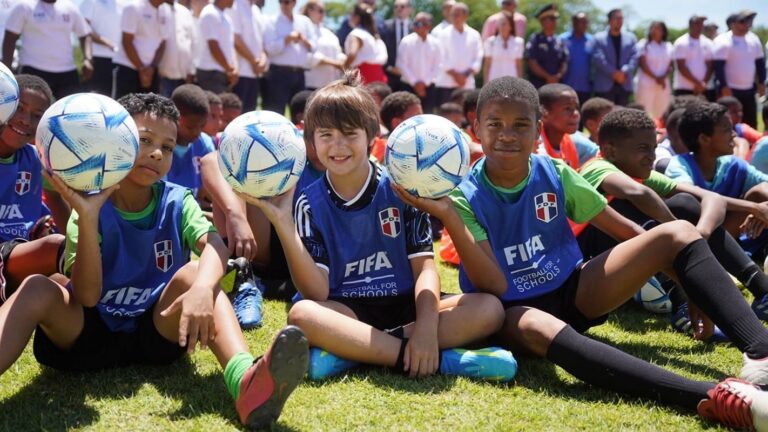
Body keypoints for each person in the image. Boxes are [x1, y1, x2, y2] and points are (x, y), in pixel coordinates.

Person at [395, 76, 768, 430]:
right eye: (495, 124)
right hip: (513, 312)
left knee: (678, 231)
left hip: (575, 290)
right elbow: (492, 285)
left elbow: (629, 233)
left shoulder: (555, 172)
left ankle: (760, 353)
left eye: (520, 124)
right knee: (535, 322)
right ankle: (712, 397)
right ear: (476, 129)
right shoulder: (462, 196)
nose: (507, 135)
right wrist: (450, 219)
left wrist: (685, 287)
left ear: (538, 130)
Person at [0, 92, 309, 429]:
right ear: (117, 141)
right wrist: (87, 217)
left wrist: (205, 288)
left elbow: (215, 245)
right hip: (85, 337)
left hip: (158, 332)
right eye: (144, 140)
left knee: (197, 273)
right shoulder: (89, 205)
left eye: (167, 145)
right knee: (37, 288)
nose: (157, 153)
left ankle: (246, 383)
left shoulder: (178, 200)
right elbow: (87, 297)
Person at [241, 71, 517, 381]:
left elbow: (425, 268)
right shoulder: (307, 203)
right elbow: (316, 291)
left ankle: (352, 352)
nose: (338, 145)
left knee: (489, 309)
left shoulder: (402, 189)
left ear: (373, 136)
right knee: (302, 315)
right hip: (347, 310)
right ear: (311, 142)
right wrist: (283, 223)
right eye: (326, 135)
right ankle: (441, 360)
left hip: (406, 306)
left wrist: (426, 328)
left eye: (349, 134)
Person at [578, 108, 768, 326]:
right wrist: (678, 234)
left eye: (653, 148)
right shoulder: (595, 167)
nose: (651, 156)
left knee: (684, 203)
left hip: (622, 268)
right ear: (610, 151)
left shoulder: (641, 173)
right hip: (587, 273)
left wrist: (699, 236)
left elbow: (713, 199)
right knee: (625, 207)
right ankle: (683, 307)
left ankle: (762, 291)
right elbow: (638, 194)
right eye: (642, 148)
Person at [169, 84, 261, 328]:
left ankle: (241, 276)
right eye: (191, 126)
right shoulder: (158, 148)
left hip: (194, 217)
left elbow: (206, 190)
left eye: (202, 126)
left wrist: (231, 215)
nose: (198, 132)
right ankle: (236, 279)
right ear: (175, 115)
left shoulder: (203, 145)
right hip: (170, 225)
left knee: (228, 185)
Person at [664, 102, 768, 250]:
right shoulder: (679, 165)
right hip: (701, 238)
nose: (734, 134)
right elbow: (694, 197)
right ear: (704, 139)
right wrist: (754, 208)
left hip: (732, 235)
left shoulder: (733, 165)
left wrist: (763, 208)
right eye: (727, 130)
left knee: (762, 191)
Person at [3, 0, 92, 99]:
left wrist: (88, 59)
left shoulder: (70, 7)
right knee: (31, 110)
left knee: (73, 109)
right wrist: (8, 72)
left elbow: (85, 35)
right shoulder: (24, 6)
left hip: (67, 71)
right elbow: (9, 39)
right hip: (32, 70)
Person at [713, 10, 765, 129]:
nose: (746, 25)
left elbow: (760, 63)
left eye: (748, 21)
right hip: (730, 91)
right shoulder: (723, 40)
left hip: (749, 89)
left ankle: (751, 147)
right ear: (732, 23)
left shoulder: (754, 39)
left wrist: (762, 82)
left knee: (751, 122)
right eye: (742, 21)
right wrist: (724, 86)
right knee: (728, 123)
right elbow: (718, 67)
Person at [262, 0, 316, 113]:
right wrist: (288, 39)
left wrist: (303, 39)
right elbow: (269, 48)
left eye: (286, 2)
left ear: (294, 3)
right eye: (280, 2)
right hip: (278, 73)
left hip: (299, 73)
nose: (283, 5)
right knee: (275, 112)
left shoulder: (304, 21)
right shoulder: (271, 21)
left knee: (301, 113)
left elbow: (314, 46)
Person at [112, 0, 172, 99]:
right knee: (125, 111)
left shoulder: (166, 11)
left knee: (150, 112)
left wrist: (152, 67)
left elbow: (162, 43)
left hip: (151, 71)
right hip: (128, 69)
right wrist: (142, 69)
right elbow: (127, 41)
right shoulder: (133, 7)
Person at [535, 84, 598, 169]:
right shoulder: (535, 142)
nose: (575, 114)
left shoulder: (573, 139)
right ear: (544, 113)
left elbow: (599, 154)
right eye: (567, 109)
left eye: (576, 108)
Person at [433, 2, 481, 107]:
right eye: (452, 14)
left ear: (465, 16)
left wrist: (465, 76)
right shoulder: (442, 34)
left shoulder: (474, 35)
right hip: (446, 84)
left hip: (467, 84)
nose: (454, 17)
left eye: (457, 14)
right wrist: (456, 75)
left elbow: (478, 57)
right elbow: (440, 58)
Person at [592, 9, 638, 106]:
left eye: (621, 18)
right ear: (609, 21)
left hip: (624, 84)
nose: (619, 21)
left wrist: (624, 71)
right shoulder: (598, 38)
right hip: (604, 85)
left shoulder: (631, 38)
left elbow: (634, 56)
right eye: (616, 18)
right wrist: (614, 73)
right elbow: (599, 58)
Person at [396, 12, 439, 114]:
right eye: (416, 22)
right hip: (408, 86)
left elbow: (438, 66)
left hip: (429, 88)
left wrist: (425, 83)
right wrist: (415, 83)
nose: (416, 25)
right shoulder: (406, 41)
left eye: (421, 23)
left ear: (428, 25)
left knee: (428, 116)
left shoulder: (436, 43)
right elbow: (401, 64)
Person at [79, 0, 124, 96]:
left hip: (118, 60)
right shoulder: (90, 2)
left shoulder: (123, 4)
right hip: (97, 59)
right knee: (94, 98)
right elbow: (83, 27)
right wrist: (106, 42)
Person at [230, 0, 267, 111]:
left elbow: (261, 42)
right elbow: (235, 39)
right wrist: (254, 61)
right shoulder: (235, 5)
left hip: (254, 75)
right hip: (240, 74)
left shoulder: (256, 10)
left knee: (250, 116)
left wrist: (262, 60)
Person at [158, 0, 198, 98]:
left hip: (183, 78)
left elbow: (193, 42)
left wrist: (191, 71)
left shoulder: (185, 12)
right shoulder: (158, 9)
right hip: (162, 76)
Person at [635, 21, 674, 121]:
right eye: (654, 28)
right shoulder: (643, 44)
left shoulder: (668, 46)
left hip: (663, 85)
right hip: (646, 84)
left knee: (662, 111)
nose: (656, 31)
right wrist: (656, 78)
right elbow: (642, 64)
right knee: (643, 112)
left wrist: (662, 78)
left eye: (659, 28)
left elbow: (670, 65)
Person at [197, 0, 237, 94]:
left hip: (223, 73)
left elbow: (231, 46)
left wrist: (234, 69)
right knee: (215, 108)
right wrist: (229, 70)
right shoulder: (209, 13)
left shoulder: (227, 18)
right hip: (211, 74)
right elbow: (213, 46)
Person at [303, 0, 345, 91]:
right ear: (310, 10)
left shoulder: (328, 33)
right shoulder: (304, 30)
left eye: (323, 11)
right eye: (320, 10)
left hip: (332, 83)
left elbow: (338, 52)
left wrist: (344, 61)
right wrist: (334, 63)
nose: (323, 14)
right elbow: (309, 56)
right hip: (313, 83)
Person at [525, 4, 568, 89]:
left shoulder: (560, 41)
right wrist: (548, 77)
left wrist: (557, 76)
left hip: (556, 86)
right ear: (542, 21)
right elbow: (532, 62)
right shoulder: (535, 39)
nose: (555, 21)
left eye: (556, 19)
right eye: (552, 19)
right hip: (537, 85)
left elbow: (565, 62)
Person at [343, 4, 388, 85]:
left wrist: (344, 67)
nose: (349, 17)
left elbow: (352, 54)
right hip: (378, 76)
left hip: (364, 76)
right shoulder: (372, 35)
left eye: (351, 14)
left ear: (357, 17)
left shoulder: (357, 33)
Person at [672, 15, 714, 99]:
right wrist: (698, 83)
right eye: (697, 24)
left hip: (705, 88)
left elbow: (710, 65)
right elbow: (681, 66)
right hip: (684, 88)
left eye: (702, 24)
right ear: (690, 25)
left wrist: (703, 83)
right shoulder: (681, 42)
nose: (700, 26)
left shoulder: (708, 43)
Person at [560, 12, 593, 105]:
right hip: (565, 87)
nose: (585, 25)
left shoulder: (592, 41)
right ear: (574, 23)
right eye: (582, 22)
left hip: (586, 88)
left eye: (586, 22)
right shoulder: (562, 39)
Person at [482, 11, 523, 83]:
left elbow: (519, 66)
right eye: (499, 23)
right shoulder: (490, 42)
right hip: (494, 82)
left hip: (512, 83)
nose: (501, 26)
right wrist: (485, 84)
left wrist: (520, 85)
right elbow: (487, 65)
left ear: (510, 26)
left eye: (504, 24)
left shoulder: (518, 42)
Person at [381, 0, 411, 90]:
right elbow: (381, 48)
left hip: (410, 76)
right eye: (396, 6)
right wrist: (389, 67)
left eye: (402, 6)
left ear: (409, 9)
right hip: (390, 74)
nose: (398, 9)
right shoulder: (385, 26)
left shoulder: (415, 27)